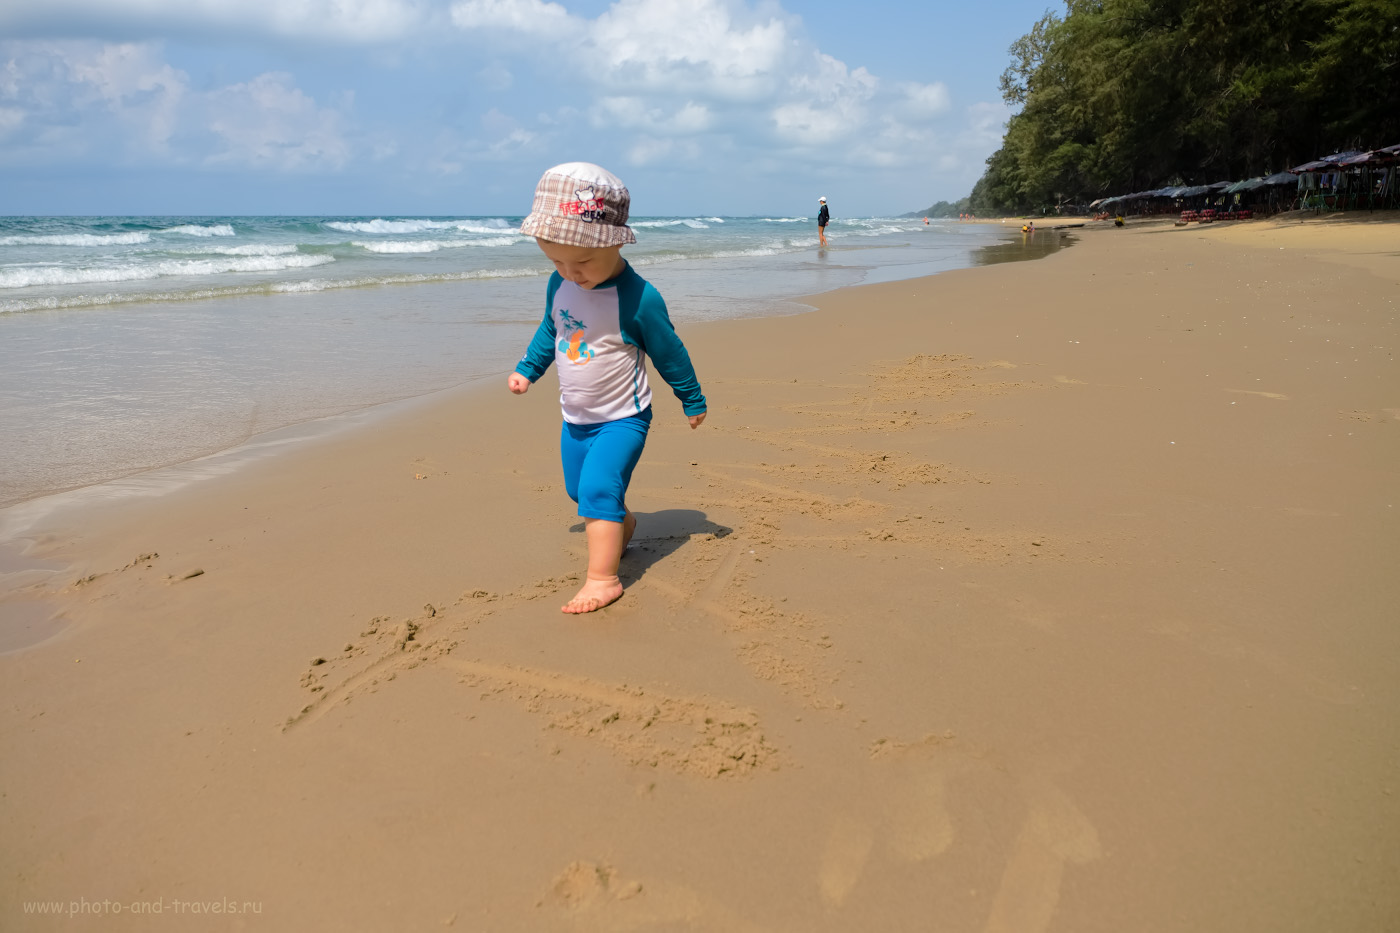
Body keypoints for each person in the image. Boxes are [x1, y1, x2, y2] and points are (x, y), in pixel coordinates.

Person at [508, 162, 707, 614]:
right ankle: (622, 521)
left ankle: (603, 579)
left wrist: (691, 397)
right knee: (580, 492)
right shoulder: (560, 284)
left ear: (614, 241)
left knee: (597, 490)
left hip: (623, 418)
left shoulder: (638, 298)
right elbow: (551, 330)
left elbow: (669, 351)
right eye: (555, 260)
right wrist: (528, 369)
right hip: (575, 417)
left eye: (581, 262)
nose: (569, 272)